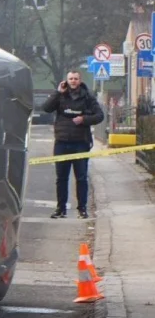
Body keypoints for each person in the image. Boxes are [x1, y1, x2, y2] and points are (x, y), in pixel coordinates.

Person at [41, 71, 105, 219]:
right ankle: (61, 209)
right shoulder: (60, 95)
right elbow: (46, 108)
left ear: (80, 80)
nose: (73, 81)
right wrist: (57, 93)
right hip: (62, 142)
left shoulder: (87, 97)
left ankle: (82, 209)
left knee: (81, 177)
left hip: (80, 143)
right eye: (70, 79)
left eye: (76, 79)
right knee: (61, 178)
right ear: (67, 80)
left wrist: (84, 119)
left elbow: (99, 116)